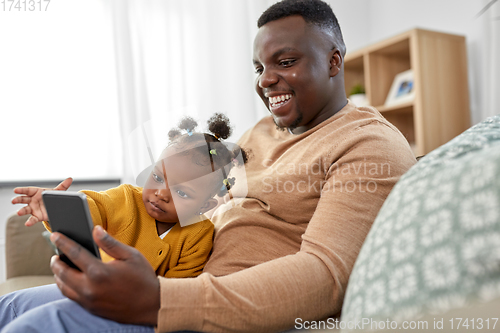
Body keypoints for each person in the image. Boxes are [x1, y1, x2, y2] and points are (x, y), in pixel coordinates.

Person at [0, 0, 416, 332]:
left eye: (285, 62)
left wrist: (161, 300)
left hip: (197, 305)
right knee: (11, 306)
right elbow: (194, 185)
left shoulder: (367, 145)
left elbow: (326, 276)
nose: (265, 80)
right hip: (173, 278)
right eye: (259, 67)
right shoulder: (261, 133)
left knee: (40, 325)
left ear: (333, 62)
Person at [9, 114, 246, 278]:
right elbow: (93, 209)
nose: (160, 193)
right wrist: (57, 210)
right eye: (158, 177)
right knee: (11, 307)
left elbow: (181, 291)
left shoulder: (199, 234)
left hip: (138, 310)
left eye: (181, 192)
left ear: (205, 205)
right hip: (89, 287)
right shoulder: (125, 199)